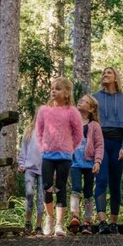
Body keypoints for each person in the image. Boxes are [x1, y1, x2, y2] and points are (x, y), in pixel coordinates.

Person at [36, 77, 83, 237]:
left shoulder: (72, 111)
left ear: (66, 93)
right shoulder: (44, 110)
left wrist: (69, 148)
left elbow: (78, 134)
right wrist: (43, 148)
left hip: (64, 156)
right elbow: (39, 131)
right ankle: (49, 218)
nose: (53, 91)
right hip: (48, 155)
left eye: (58, 88)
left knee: (61, 187)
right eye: (52, 88)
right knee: (47, 186)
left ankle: (59, 224)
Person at [93, 67, 123, 235]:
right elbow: (90, 122)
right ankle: (102, 222)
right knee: (101, 180)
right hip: (100, 143)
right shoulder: (95, 98)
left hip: (118, 144)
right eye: (104, 73)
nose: (105, 75)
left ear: (116, 78)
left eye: (108, 73)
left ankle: (114, 223)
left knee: (115, 184)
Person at [68, 94, 104, 235]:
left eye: (84, 101)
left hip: (89, 164)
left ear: (91, 109)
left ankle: (87, 222)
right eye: (80, 99)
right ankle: (75, 217)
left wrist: (97, 161)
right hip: (75, 163)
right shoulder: (72, 123)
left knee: (88, 192)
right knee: (75, 189)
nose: (80, 101)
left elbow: (99, 145)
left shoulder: (94, 126)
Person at [17, 115, 44, 235]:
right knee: (29, 193)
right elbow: (24, 149)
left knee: (41, 197)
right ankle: (28, 221)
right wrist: (21, 163)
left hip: (44, 169)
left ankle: (38, 225)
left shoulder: (49, 131)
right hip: (29, 167)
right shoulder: (29, 130)